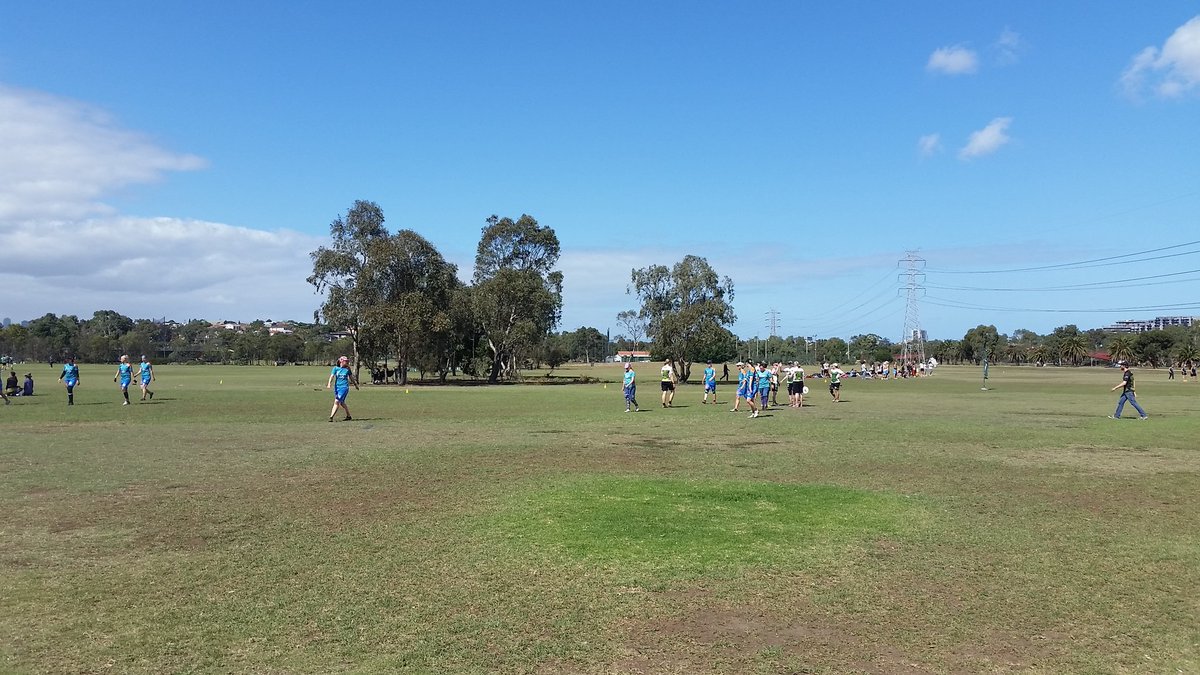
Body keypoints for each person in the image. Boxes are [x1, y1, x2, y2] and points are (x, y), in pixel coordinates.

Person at [327, 355, 359, 421]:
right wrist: (329, 383)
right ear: (341, 361)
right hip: (337, 387)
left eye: (347, 361)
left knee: (337, 401)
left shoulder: (347, 369)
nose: (347, 362)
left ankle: (331, 417)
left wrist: (355, 385)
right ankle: (348, 416)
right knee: (342, 402)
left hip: (344, 387)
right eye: (345, 361)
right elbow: (332, 376)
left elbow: (351, 378)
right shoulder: (335, 368)